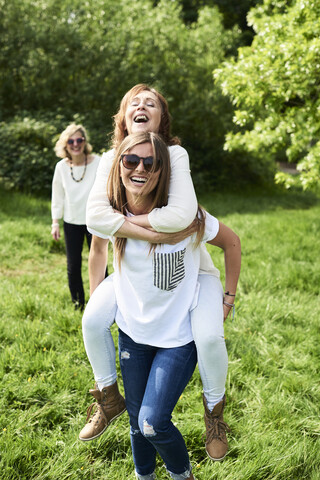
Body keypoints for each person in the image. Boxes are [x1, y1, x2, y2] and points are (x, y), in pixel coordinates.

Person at [80, 84, 241, 462]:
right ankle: (107, 397)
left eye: (150, 103)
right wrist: (137, 228)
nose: (141, 106)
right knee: (91, 321)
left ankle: (214, 412)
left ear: (162, 121)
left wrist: (228, 299)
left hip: (192, 275)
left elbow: (183, 218)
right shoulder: (111, 164)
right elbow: (95, 225)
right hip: (131, 278)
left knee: (209, 337)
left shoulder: (174, 156)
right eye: (134, 103)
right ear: (122, 118)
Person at [51, 123, 103, 310]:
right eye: (71, 141)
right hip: (71, 222)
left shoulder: (98, 162)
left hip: (95, 222)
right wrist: (55, 222)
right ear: (65, 144)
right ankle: (78, 304)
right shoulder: (61, 167)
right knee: (73, 266)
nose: (75, 144)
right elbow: (57, 196)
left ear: (85, 142)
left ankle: (101, 304)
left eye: (79, 140)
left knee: (100, 264)